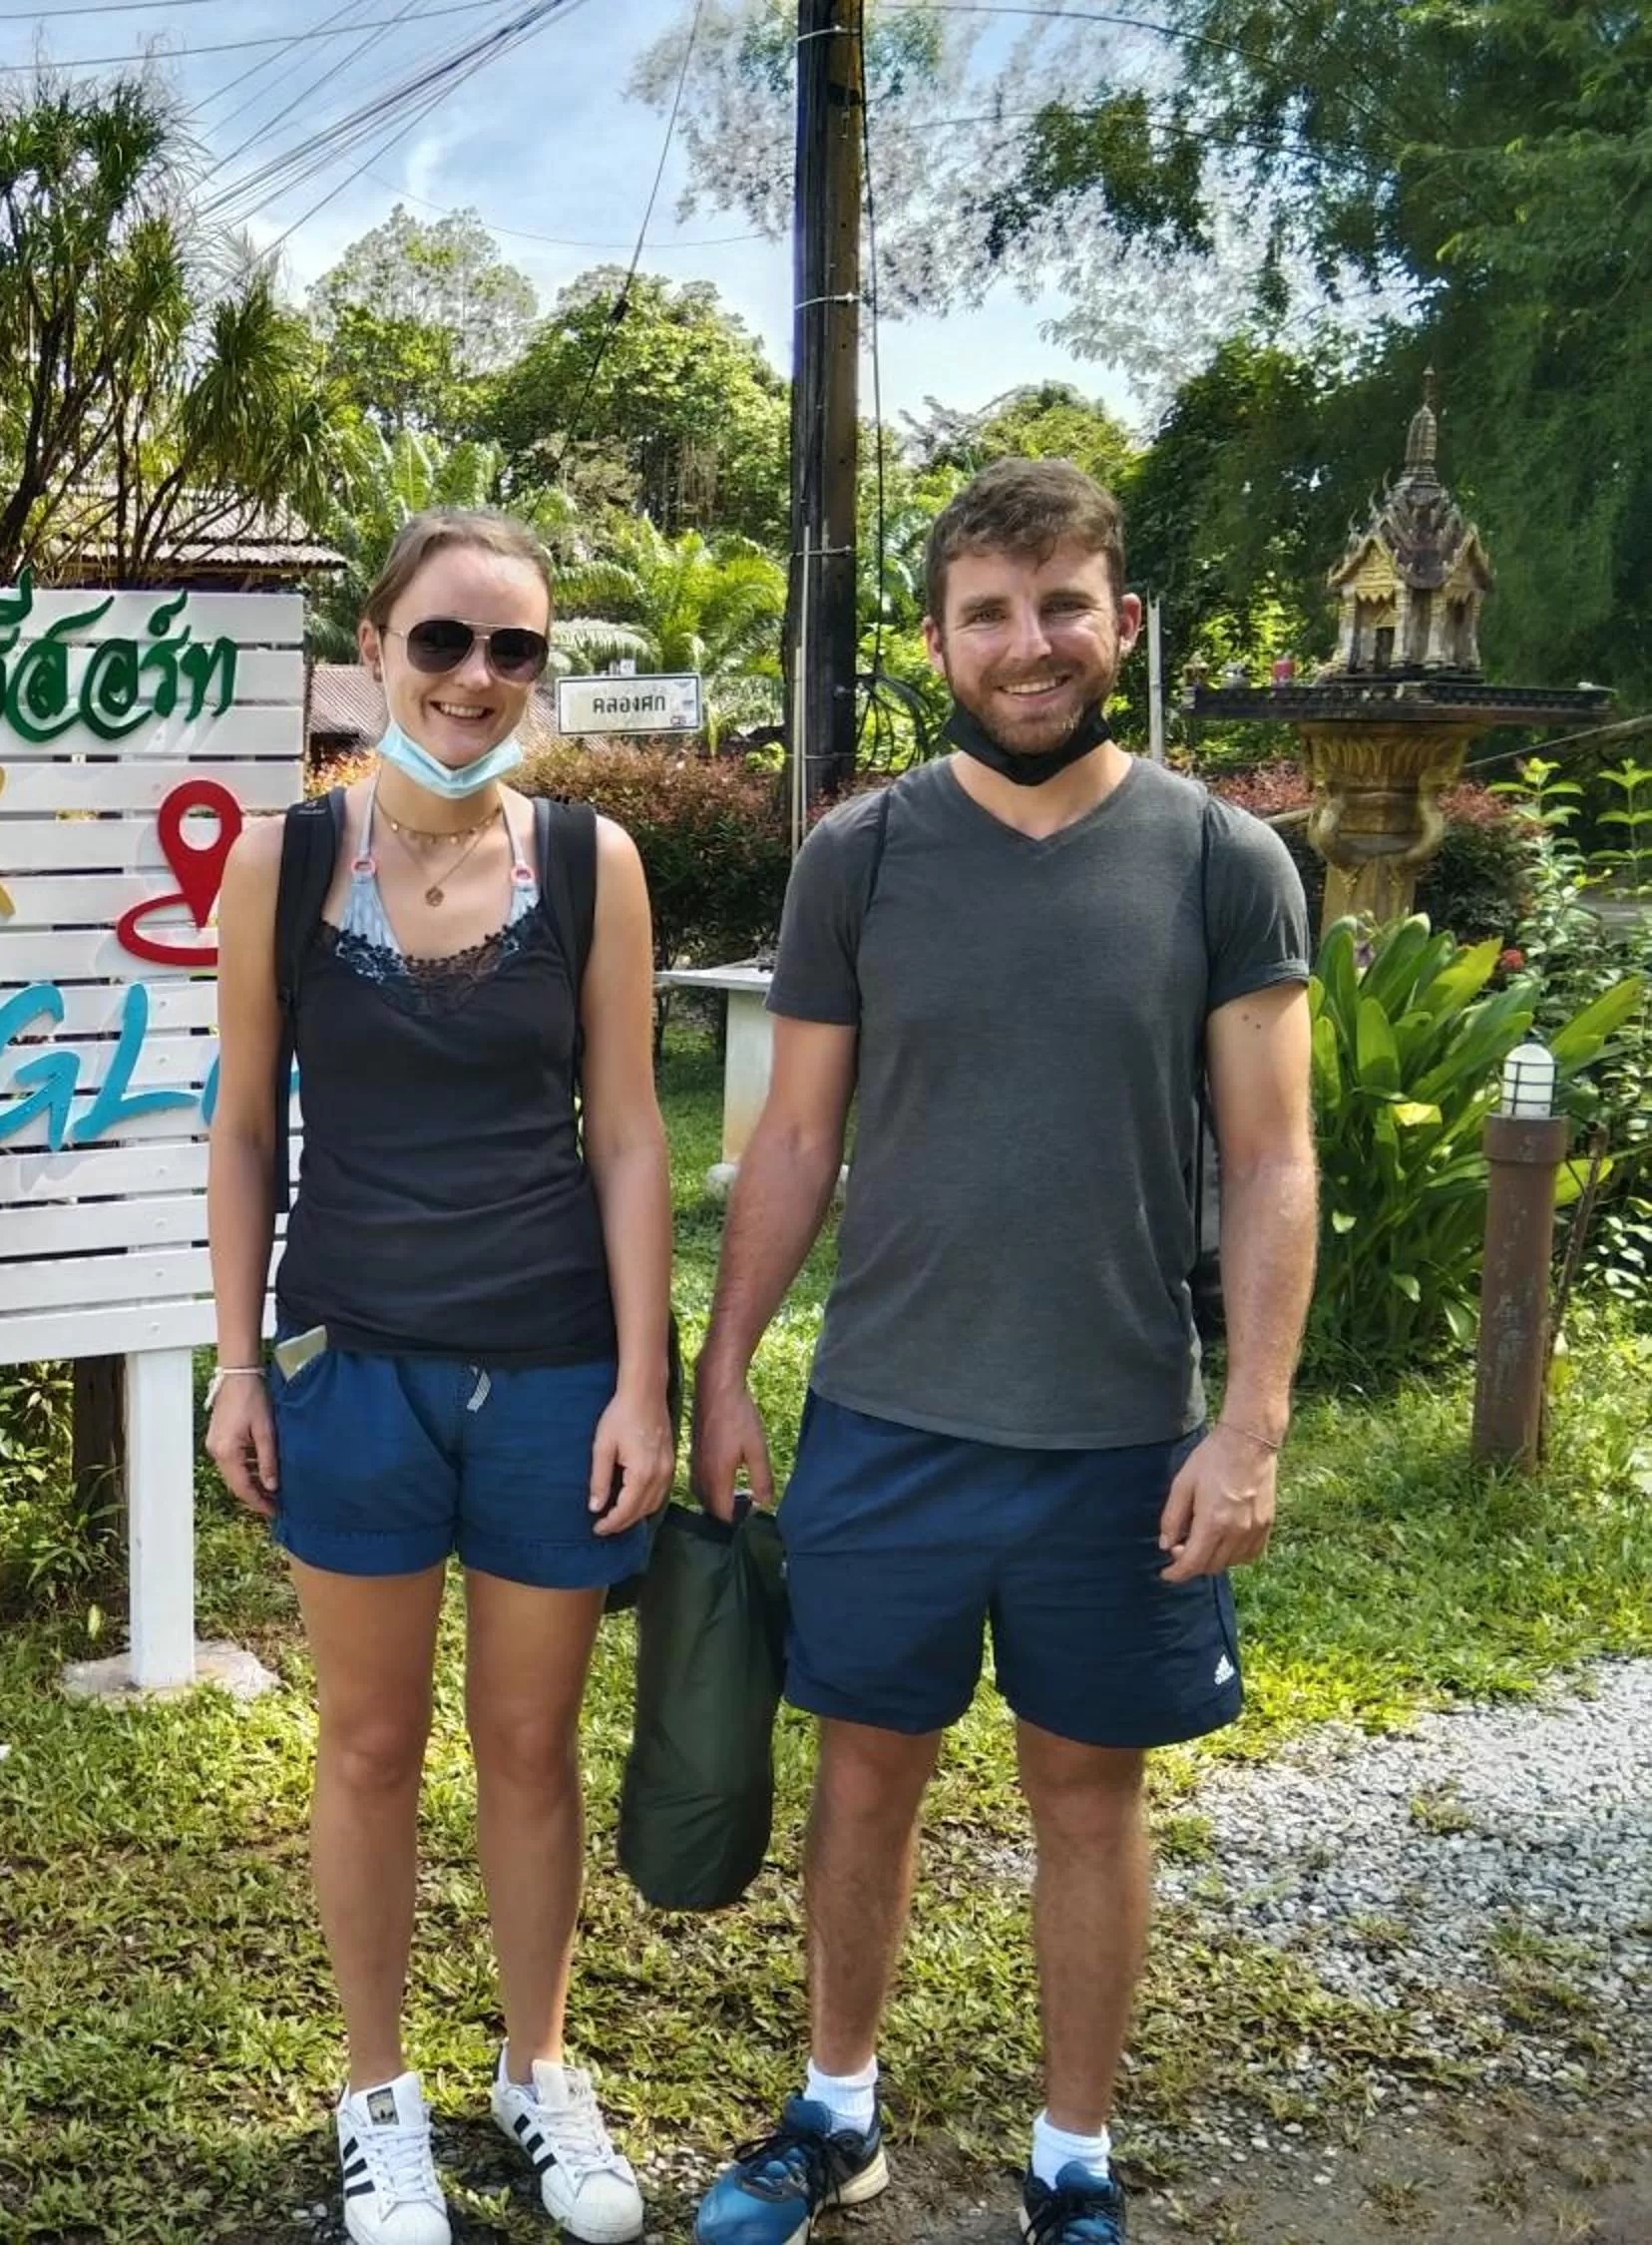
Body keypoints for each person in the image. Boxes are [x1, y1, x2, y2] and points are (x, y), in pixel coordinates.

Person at [686, 457, 1318, 2245]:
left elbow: (1275, 1156)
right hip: (888, 1417)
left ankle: (1073, 2155)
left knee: (1084, 1792)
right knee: (865, 1767)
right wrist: (729, 1367)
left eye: (1061, 606)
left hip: (1121, 1432)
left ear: (1117, 620)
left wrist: (1251, 1423)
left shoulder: (1220, 858)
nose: (1028, 644)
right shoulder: (861, 856)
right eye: (989, 611)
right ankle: (835, 2111)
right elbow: (795, 1139)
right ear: (940, 637)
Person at [206, 509, 676, 2245]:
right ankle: (375, 2093)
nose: (478, 678)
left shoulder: (589, 860)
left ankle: (539, 2069)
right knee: (368, 1742)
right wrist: (239, 1359)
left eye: (515, 650)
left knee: (532, 1744)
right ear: (377, 645)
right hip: (357, 1367)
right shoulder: (292, 858)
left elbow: (629, 1135)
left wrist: (643, 1374)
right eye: (444, 641)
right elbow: (244, 1122)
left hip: (552, 1368)